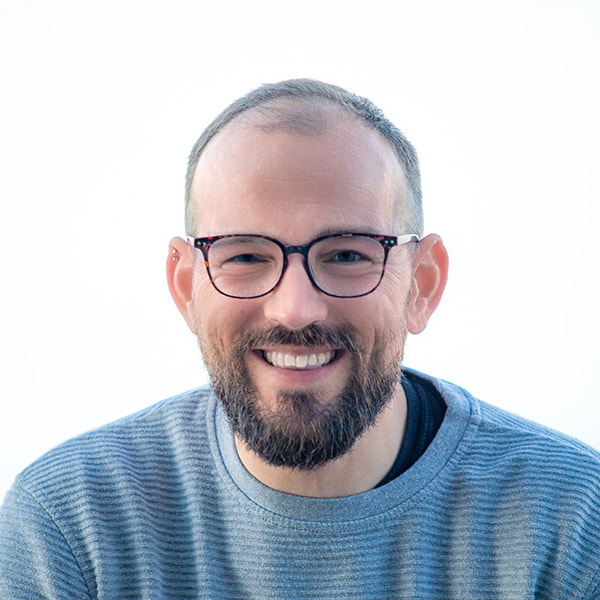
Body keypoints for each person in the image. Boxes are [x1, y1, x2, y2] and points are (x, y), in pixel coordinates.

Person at [1, 79, 599, 600]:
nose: (293, 309)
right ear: (186, 288)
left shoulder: (573, 519)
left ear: (422, 284)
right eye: (244, 256)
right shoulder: (71, 524)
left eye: (347, 255)